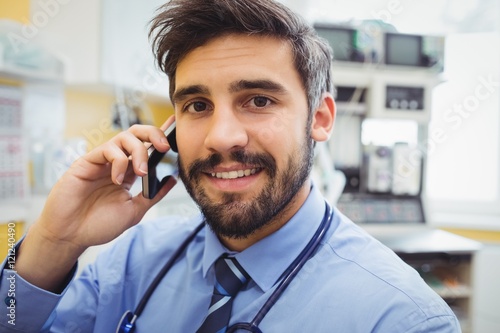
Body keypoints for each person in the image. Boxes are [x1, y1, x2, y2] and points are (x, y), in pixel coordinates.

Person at [0, 0, 461, 332]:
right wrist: (53, 243)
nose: (221, 136)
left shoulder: (402, 318)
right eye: (198, 105)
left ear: (319, 119)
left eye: (258, 100)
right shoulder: (130, 261)